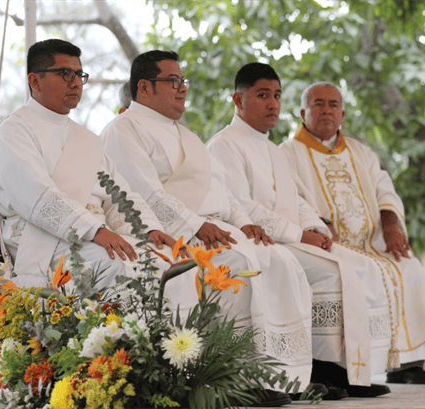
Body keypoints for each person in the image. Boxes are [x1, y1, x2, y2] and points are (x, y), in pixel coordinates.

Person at [100, 51, 322, 405]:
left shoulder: (185, 135)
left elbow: (220, 190)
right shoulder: (123, 129)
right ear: (144, 87)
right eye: (173, 82)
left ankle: (281, 376)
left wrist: (245, 223)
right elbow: (143, 192)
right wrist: (194, 225)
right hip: (171, 232)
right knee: (235, 269)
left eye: (182, 82)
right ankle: (229, 381)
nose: (181, 89)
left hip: (212, 227)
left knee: (281, 261)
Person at [208, 63, 407, 398]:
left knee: (361, 266)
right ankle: (316, 371)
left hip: (287, 238)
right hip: (258, 240)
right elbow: (239, 205)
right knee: (331, 273)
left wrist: (315, 226)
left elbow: (296, 199)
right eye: (262, 95)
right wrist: (298, 234)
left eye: (277, 95)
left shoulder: (272, 149)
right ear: (238, 101)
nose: (273, 104)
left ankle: (348, 371)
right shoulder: (224, 145)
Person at [279, 81, 425, 385]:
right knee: (361, 273)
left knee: (408, 266)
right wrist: (318, 222)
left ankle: (408, 361)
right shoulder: (286, 154)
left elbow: (384, 189)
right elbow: (289, 198)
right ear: (302, 112)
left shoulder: (361, 152)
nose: (326, 110)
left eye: (333, 105)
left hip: (374, 244)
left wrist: (391, 224)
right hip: (328, 243)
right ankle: (345, 365)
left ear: (342, 114)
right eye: (318, 104)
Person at [0, 39, 175, 290]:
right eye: (65, 73)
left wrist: (146, 229)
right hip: (42, 240)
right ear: (34, 81)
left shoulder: (86, 139)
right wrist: (94, 229)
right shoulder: (13, 132)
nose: (75, 82)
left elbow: (118, 195)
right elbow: (37, 198)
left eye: (79, 74)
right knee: (112, 266)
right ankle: (114, 332)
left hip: (92, 233)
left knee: (167, 259)